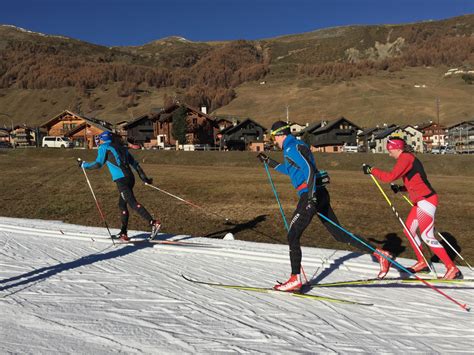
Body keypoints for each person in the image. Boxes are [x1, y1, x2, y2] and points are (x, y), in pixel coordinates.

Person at [257, 121, 392, 292]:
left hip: (310, 194)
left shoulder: (291, 147)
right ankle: (380, 254)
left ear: (280, 135)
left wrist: (311, 196)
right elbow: (291, 170)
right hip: (319, 192)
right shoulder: (296, 145)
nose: (274, 141)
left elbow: (309, 171)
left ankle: (294, 279)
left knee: (293, 234)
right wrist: (270, 162)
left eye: (274, 137)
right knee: (339, 234)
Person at [362, 136, 462, 280]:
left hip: (426, 201)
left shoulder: (405, 158)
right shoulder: (407, 158)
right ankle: (422, 262)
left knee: (427, 236)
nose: (389, 154)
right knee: (408, 230)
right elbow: (416, 180)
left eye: (390, 150)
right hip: (420, 201)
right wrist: (401, 188)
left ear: (397, 148)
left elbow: (389, 177)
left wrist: (372, 170)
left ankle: (452, 268)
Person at [79, 131, 161, 242]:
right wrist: (145, 179)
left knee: (132, 203)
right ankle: (123, 232)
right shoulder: (122, 148)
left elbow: (98, 163)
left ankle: (153, 223)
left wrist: (84, 165)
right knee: (122, 205)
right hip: (130, 178)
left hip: (121, 180)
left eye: (99, 139)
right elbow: (136, 165)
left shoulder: (104, 147)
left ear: (103, 139)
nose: (99, 141)